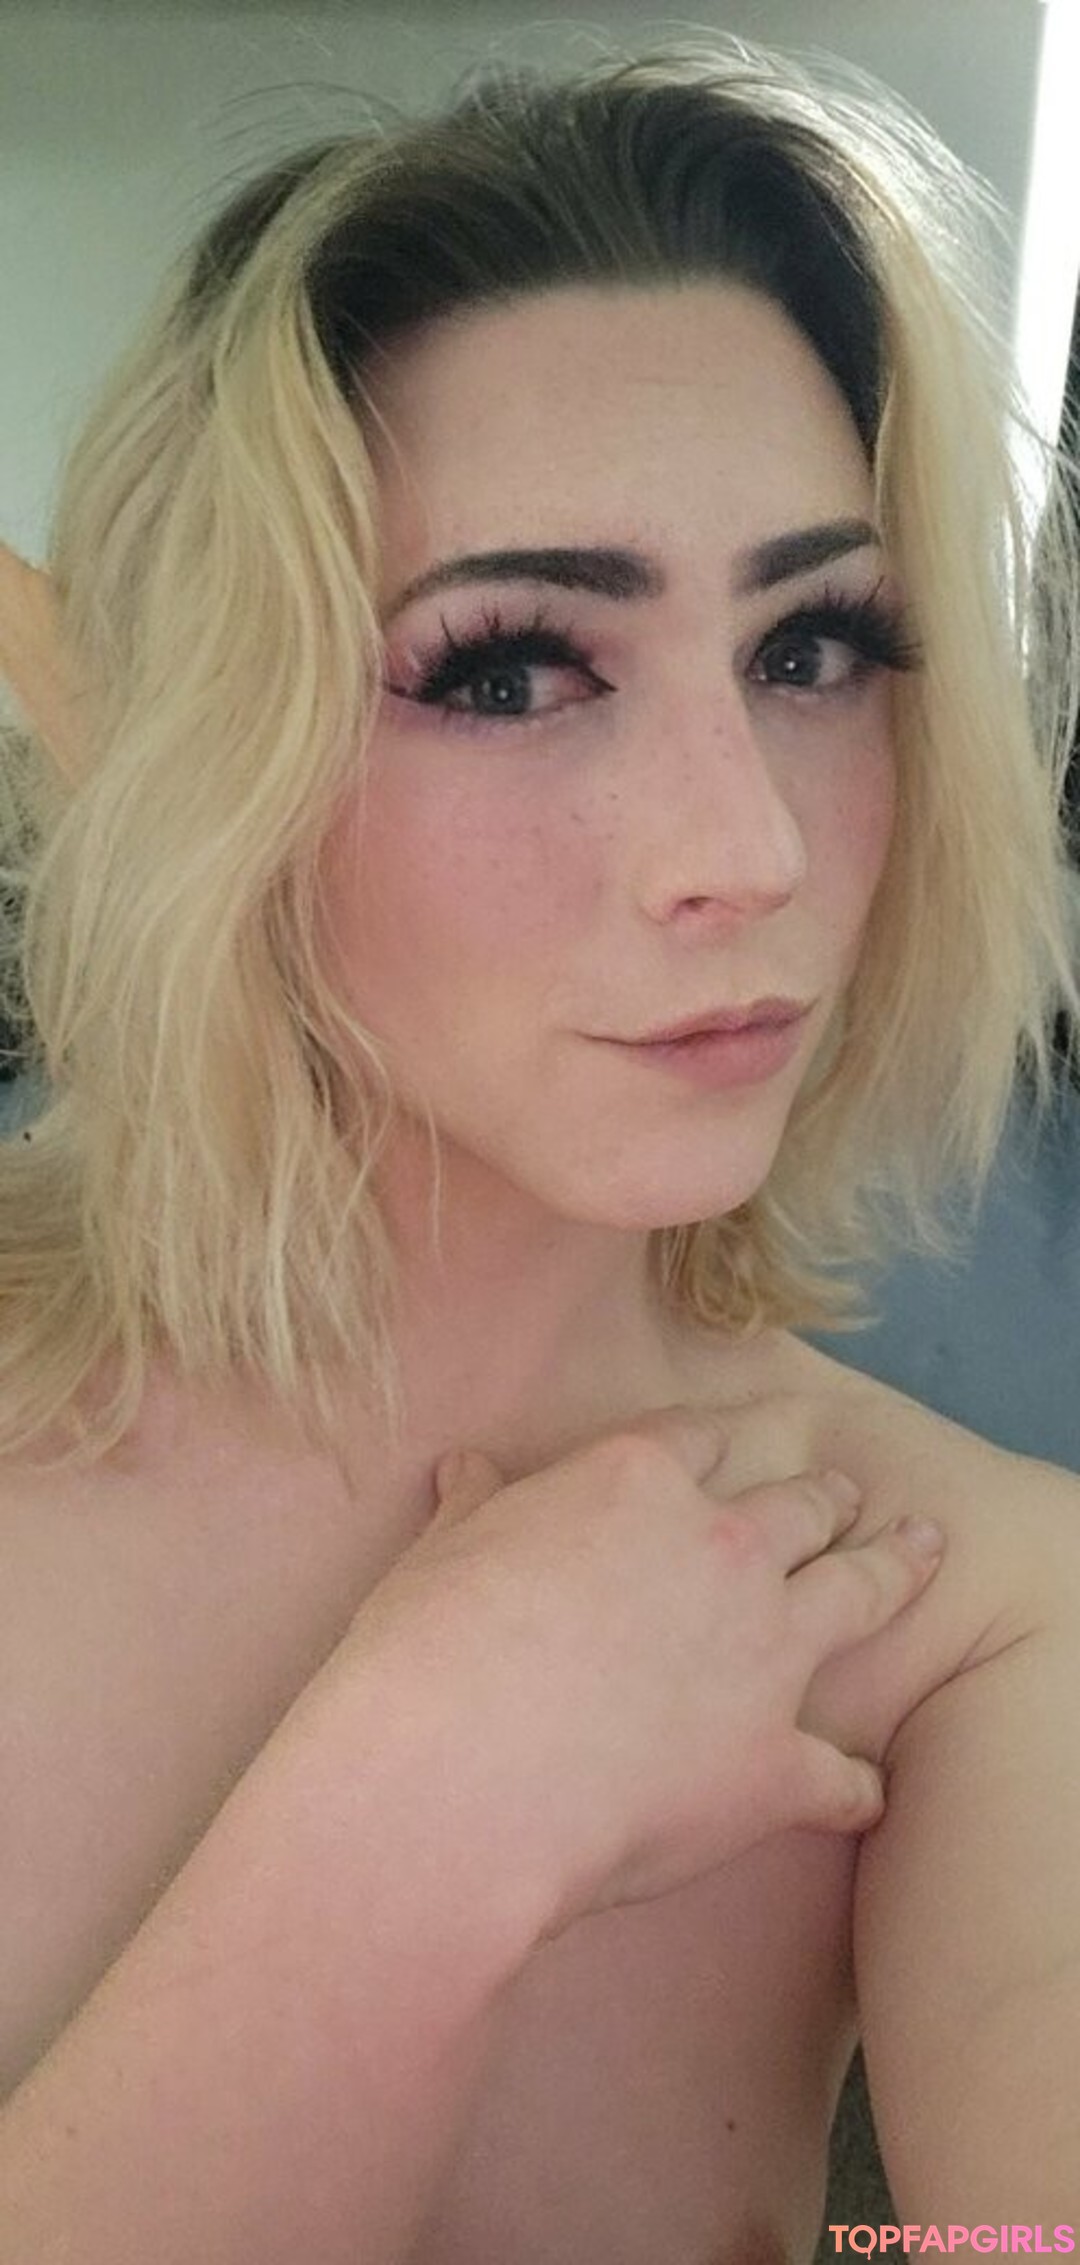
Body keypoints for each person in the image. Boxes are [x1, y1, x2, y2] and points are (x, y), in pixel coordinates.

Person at [0, 31, 1077, 2259]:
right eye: (508, 670)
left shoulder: (971, 1608)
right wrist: (426, 1805)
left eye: (816, 643)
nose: (747, 845)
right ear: (220, 753)